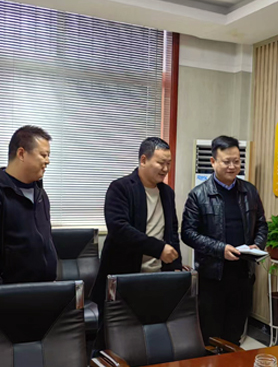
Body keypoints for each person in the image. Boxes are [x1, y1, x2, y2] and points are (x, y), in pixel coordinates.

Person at [182, 135, 267, 346]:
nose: (232, 166)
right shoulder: (198, 195)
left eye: (236, 161)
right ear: (213, 162)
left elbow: (262, 224)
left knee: (234, 336)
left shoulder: (249, 191)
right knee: (211, 337)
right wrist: (220, 249)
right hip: (212, 279)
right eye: (226, 161)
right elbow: (188, 233)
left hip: (243, 276)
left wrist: (258, 244)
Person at [91, 137, 182, 307]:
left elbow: (172, 231)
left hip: (159, 277)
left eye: (169, 164)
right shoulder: (120, 188)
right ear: (144, 160)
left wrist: (176, 265)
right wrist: (158, 248)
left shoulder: (167, 193)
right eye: (161, 163)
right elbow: (119, 229)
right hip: (125, 278)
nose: (165, 169)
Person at [0, 125, 57, 285]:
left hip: (45, 290)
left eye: (48, 155)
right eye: (43, 155)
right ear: (21, 154)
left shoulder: (40, 194)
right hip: (10, 294)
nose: (47, 161)